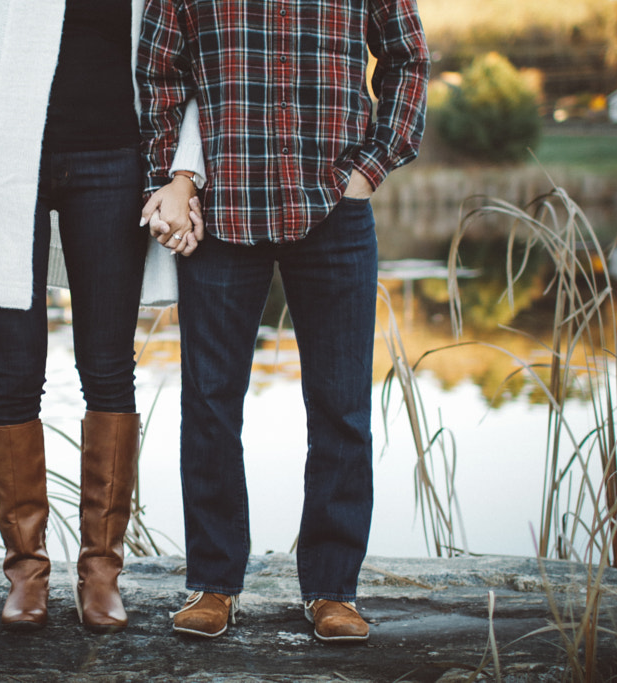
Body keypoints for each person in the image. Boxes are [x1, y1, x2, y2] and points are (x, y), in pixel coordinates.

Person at [138, 0, 430, 642]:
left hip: (333, 209)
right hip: (223, 212)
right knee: (210, 402)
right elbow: (159, 72)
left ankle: (332, 592)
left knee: (342, 404)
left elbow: (407, 58)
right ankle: (213, 584)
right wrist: (175, 179)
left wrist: (370, 167)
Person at [0, 0, 205, 634]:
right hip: (2, 168)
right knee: (15, 370)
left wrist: (181, 171)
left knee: (109, 369)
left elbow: (188, 66)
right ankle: (26, 571)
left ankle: (101, 572)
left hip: (115, 163)